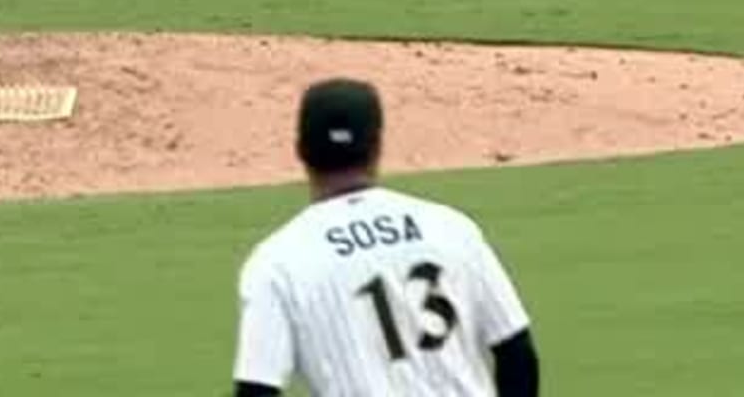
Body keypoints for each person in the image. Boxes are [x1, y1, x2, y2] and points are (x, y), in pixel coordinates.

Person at [232, 79, 542, 397]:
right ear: (376, 147)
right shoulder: (450, 228)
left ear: (301, 150)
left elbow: (256, 390)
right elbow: (517, 355)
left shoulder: (278, 261)